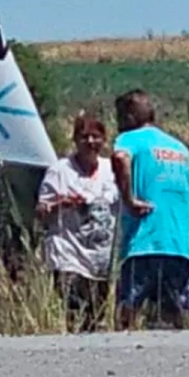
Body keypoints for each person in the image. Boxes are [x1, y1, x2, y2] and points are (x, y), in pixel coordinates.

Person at [110, 88, 189, 330]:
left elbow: (120, 158)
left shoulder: (131, 138)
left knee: (128, 309)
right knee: (175, 312)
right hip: (181, 245)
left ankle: (120, 352)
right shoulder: (181, 149)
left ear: (129, 117)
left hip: (145, 242)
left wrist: (129, 200)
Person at [36, 112, 119, 333]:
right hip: (67, 253)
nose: (90, 142)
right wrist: (61, 203)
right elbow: (41, 211)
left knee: (96, 315)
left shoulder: (112, 169)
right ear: (75, 140)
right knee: (74, 308)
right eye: (84, 137)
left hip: (100, 256)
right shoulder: (60, 170)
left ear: (103, 139)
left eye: (95, 136)